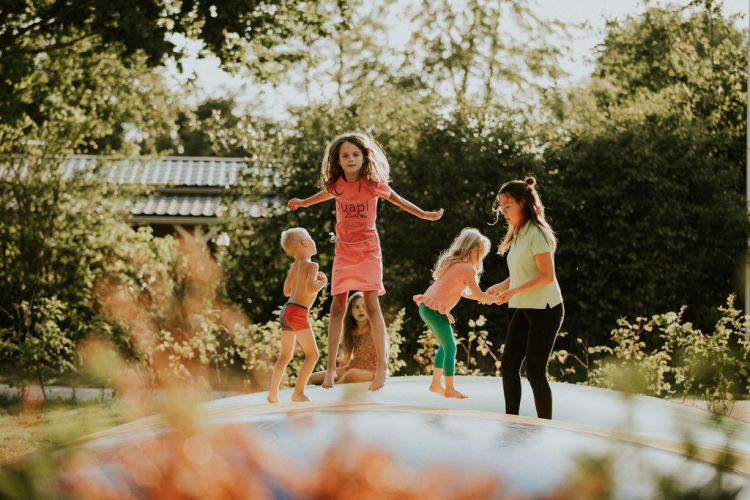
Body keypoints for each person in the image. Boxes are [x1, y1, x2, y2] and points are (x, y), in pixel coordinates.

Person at [288, 132, 443, 391]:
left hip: (369, 251)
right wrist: (303, 203)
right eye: (345, 155)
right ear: (338, 160)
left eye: (355, 154)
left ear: (363, 157)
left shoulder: (373, 183)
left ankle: (382, 366)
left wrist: (424, 214)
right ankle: (332, 369)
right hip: (344, 252)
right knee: (338, 307)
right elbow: (322, 195)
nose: (350, 159)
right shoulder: (337, 185)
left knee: (371, 304)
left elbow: (398, 200)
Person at [486, 177, 564, 419]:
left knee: (535, 371)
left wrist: (512, 292)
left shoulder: (538, 232)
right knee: (508, 366)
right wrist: (500, 287)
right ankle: (512, 421)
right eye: (501, 207)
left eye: (507, 206)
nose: (504, 212)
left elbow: (546, 276)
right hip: (525, 306)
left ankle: (546, 427)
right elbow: (520, 274)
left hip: (546, 309)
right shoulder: (518, 233)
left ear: (522, 203)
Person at [414, 228, 498, 399]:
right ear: (475, 251)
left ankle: (436, 384)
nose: (480, 258)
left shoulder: (454, 264)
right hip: (434, 310)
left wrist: (486, 298)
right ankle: (449, 389)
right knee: (451, 347)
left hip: (426, 307)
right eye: (481, 254)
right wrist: (495, 299)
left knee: (445, 347)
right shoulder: (466, 268)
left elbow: (468, 293)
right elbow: (479, 294)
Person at [267, 227, 327, 403]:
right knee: (313, 355)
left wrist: (298, 286)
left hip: (286, 310)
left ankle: (272, 393)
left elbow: (286, 291)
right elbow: (310, 289)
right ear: (305, 243)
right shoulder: (312, 265)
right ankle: (298, 393)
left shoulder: (295, 266)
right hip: (299, 312)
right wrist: (322, 283)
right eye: (311, 237)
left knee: (285, 356)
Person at [308, 292, 377, 385]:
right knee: (313, 378)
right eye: (356, 307)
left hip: (371, 371)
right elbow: (346, 356)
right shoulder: (351, 330)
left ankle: (335, 386)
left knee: (351, 375)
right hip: (352, 367)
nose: (361, 310)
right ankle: (338, 381)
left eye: (364, 306)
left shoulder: (374, 328)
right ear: (351, 312)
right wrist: (338, 373)